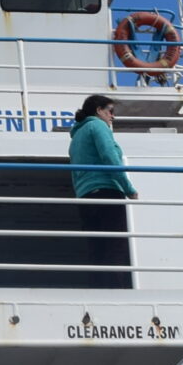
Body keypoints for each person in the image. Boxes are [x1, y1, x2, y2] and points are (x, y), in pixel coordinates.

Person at [67, 92, 136, 288]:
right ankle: (116, 292)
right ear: (98, 110)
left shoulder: (76, 136)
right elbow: (109, 157)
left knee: (97, 248)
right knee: (115, 246)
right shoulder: (97, 125)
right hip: (107, 192)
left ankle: (98, 290)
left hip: (86, 197)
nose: (113, 116)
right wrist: (128, 188)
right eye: (110, 111)